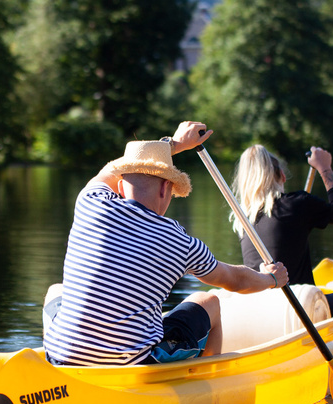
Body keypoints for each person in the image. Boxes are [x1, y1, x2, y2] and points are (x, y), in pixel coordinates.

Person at [42, 121, 289, 366]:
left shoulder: (90, 201)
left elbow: (107, 172)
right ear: (165, 188)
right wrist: (271, 279)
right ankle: (208, 380)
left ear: (121, 185)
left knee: (55, 291)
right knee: (209, 302)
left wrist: (174, 144)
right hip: (133, 363)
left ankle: (62, 360)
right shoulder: (180, 241)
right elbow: (235, 280)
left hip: (62, 356)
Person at [232, 144, 333, 316]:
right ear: (282, 175)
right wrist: (324, 168)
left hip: (259, 309)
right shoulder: (297, 203)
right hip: (297, 309)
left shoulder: (242, 219)